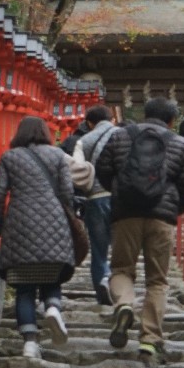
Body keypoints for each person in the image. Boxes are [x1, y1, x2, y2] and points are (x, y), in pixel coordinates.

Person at [95, 95, 184, 363]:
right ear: (172, 120)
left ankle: (125, 304)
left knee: (121, 269)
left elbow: (103, 170)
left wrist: (118, 193)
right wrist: (174, 208)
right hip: (162, 217)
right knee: (157, 280)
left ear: (144, 114)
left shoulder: (120, 137)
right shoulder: (180, 143)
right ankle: (150, 340)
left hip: (125, 213)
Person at [0, 115, 77, 363]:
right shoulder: (57, 155)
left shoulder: (10, 157)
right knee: (51, 272)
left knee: (24, 287)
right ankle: (52, 308)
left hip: (20, 221)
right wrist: (67, 216)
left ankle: (29, 343)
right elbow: (68, 192)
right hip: (54, 218)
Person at [69, 102, 117, 305]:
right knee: (122, 247)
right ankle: (119, 286)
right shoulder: (123, 136)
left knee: (99, 248)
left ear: (89, 122)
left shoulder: (85, 140)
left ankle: (102, 285)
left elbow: (75, 170)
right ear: (112, 119)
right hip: (120, 198)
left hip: (95, 198)